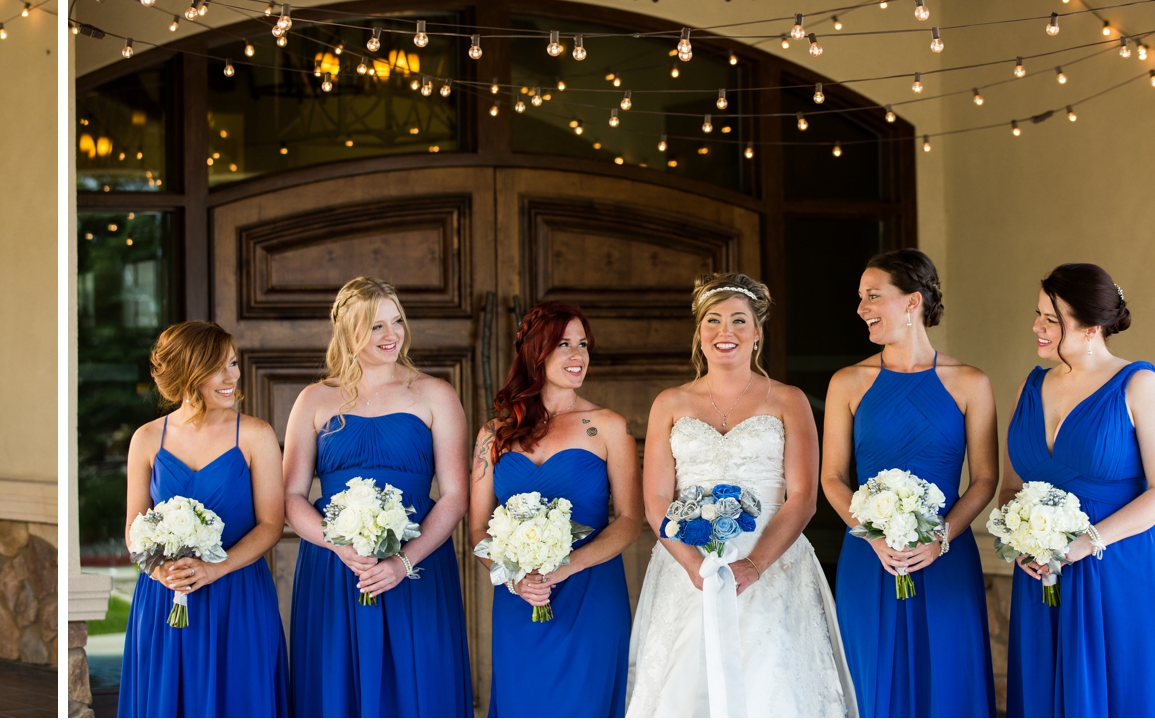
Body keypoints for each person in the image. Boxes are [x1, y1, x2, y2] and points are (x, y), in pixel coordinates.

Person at [624, 273, 856, 717]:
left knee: (772, 679)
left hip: (773, 560)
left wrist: (753, 564)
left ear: (757, 333)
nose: (724, 332)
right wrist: (696, 567)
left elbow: (804, 496)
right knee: (686, 684)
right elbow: (655, 502)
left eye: (738, 321)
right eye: (712, 321)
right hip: (687, 561)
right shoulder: (669, 403)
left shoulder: (789, 400)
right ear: (698, 333)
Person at [1000, 263, 1155, 717]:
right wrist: (1022, 541)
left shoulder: (1140, 385)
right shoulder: (1028, 388)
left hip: (1120, 567)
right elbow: (1011, 486)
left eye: (1052, 319)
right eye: (1038, 314)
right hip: (1041, 573)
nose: (1037, 327)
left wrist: (1081, 545)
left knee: (1127, 694)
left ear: (1092, 327)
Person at [282, 277, 473, 717]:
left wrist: (403, 563)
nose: (392, 335)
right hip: (337, 569)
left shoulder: (435, 394)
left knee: (419, 685)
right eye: (376, 326)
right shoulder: (314, 399)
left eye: (397, 321)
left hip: (417, 564)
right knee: (337, 687)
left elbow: (456, 495)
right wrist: (339, 545)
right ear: (349, 333)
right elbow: (291, 496)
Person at [819, 249, 995, 717]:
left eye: (873, 296)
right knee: (871, 679)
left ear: (913, 301)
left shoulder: (970, 382)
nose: (861, 308)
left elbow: (984, 479)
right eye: (860, 298)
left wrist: (940, 537)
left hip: (946, 557)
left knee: (950, 681)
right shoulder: (848, 381)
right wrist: (871, 535)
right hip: (869, 556)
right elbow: (832, 477)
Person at [467, 301, 637, 717]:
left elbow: (632, 519)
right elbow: (477, 531)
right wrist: (515, 580)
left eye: (583, 345)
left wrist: (568, 566)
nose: (578, 356)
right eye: (564, 344)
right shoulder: (494, 434)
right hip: (519, 597)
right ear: (536, 352)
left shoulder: (608, 426)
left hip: (590, 593)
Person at [115, 322, 288, 717]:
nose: (233, 377)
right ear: (188, 375)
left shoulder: (256, 436)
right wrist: (162, 574)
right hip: (164, 597)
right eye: (219, 368)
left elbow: (271, 524)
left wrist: (216, 569)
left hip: (237, 595)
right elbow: (133, 528)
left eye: (233, 363)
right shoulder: (146, 439)